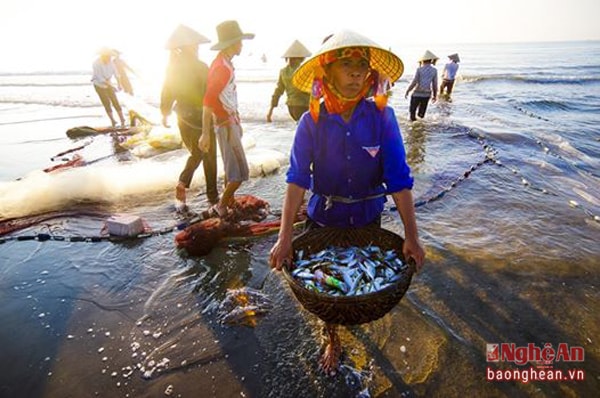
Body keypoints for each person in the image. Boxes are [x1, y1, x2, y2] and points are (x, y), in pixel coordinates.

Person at [199, 20, 254, 217]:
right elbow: (207, 101)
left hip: (229, 123)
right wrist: (205, 134)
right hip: (225, 125)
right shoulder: (222, 67)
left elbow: (224, 98)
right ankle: (221, 206)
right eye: (239, 41)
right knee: (239, 173)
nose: (242, 44)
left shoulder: (224, 63)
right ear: (231, 43)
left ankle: (228, 202)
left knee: (232, 169)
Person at [161, 24, 219, 207]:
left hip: (182, 118)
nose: (198, 48)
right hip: (200, 117)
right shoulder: (202, 67)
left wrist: (164, 114)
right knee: (208, 155)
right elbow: (210, 94)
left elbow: (166, 93)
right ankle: (211, 195)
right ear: (191, 46)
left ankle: (184, 182)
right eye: (196, 45)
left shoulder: (172, 67)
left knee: (197, 152)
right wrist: (216, 113)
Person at [266, 40, 311, 122]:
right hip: (304, 106)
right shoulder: (303, 69)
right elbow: (309, 88)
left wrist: (270, 111)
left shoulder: (283, 71)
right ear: (301, 57)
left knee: (300, 127)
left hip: (291, 107)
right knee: (308, 130)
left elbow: (278, 90)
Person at [91, 47, 126, 128]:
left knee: (115, 101)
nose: (109, 58)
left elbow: (116, 74)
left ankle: (122, 119)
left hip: (108, 83)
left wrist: (119, 84)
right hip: (99, 84)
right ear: (102, 56)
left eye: (110, 56)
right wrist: (111, 86)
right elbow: (99, 78)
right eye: (107, 56)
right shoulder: (96, 63)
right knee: (106, 102)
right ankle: (113, 120)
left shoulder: (111, 63)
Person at [405, 50, 439, 121]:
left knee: (412, 112)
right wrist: (435, 96)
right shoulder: (434, 70)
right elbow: (435, 84)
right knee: (421, 114)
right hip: (426, 94)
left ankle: (413, 128)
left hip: (417, 93)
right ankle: (421, 129)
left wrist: (408, 90)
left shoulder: (419, 69)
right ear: (431, 60)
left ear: (423, 60)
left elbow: (415, 82)